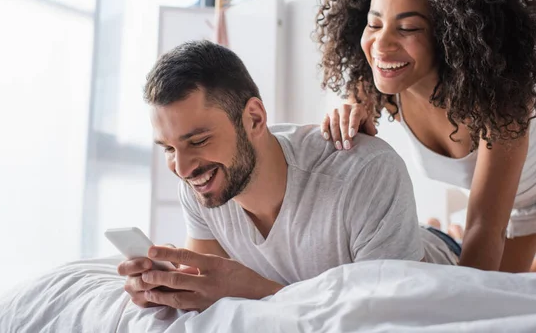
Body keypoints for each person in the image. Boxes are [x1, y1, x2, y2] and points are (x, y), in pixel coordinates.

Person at [117, 40, 458, 312]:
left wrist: (256, 289)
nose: (183, 167)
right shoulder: (201, 187)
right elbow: (213, 289)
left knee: (446, 234)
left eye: (199, 141)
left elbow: (382, 318)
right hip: (383, 239)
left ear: (254, 118)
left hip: (443, 260)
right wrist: (170, 290)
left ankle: (444, 231)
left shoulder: (365, 171)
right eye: (168, 149)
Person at [315, 0, 536, 272]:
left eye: (407, 28)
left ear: (452, 36)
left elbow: (484, 229)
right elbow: (351, 106)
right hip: (507, 213)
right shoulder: (383, 87)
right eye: (374, 24)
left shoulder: (501, 105)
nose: (381, 43)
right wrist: (345, 110)